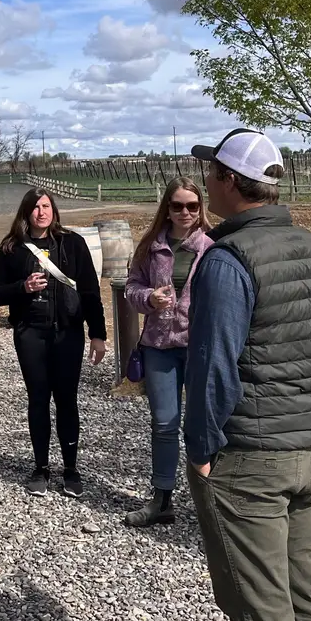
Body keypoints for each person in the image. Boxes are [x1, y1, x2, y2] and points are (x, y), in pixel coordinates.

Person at [183, 129, 311, 621]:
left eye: (211, 173)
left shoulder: (228, 259)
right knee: (307, 589)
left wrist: (202, 448)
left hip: (250, 455)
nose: (205, 183)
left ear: (230, 181)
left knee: (260, 609)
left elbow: (212, 367)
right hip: (309, 446)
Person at [0, 188, 107, 497]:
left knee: (67, 400)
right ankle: (40, 467)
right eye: (35, 207)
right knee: (38, 399)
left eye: (46, 206)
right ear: (26, 212)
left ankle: (71, 468)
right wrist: (22, 287)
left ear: (53, 209)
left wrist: (98, 334)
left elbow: (91, 292)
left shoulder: (73, 244)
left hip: (68, 333)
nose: (41, 212)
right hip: (31, 333)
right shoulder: (12, 248)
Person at [122, 176, 213, 527]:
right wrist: (148, 298)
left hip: (199, 346)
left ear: (201, 208)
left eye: (192, 205)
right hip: (159, 346)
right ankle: (162, 498)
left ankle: (212, 498)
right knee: (163, 424)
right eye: (177, 205)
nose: (185, 212)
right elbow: (132, 287)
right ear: (167, 208)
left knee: (204, 423)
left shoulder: (212, 247)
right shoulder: (151, 246)